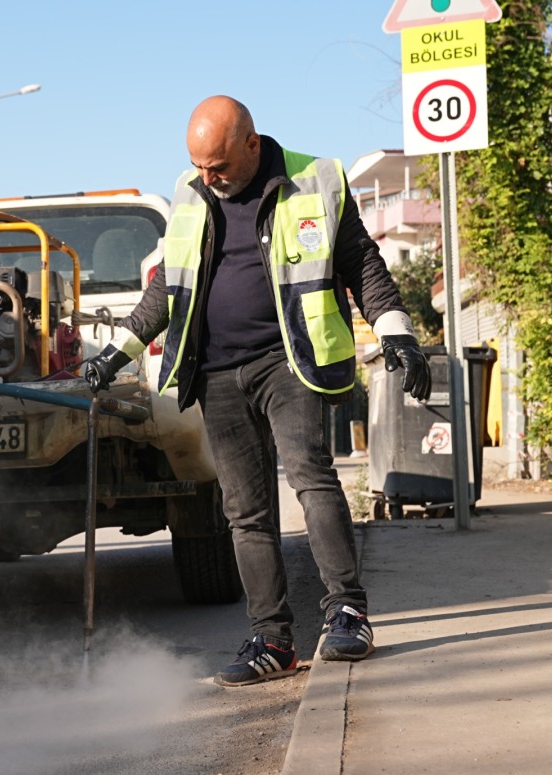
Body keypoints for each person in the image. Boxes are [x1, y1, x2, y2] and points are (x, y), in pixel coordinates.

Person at [83, 96, 431, 687]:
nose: (206, 177)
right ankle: (272, 640)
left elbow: (363, 263)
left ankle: (347, 613)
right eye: (198, 165)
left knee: (311, 478)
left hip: (290, 361)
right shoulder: (191, 196)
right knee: (244, 511)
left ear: (251, 143)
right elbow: (168, 287)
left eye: (217, 164)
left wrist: (399, 332)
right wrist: (117, 353)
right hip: (216, 371)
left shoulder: (313, 181)